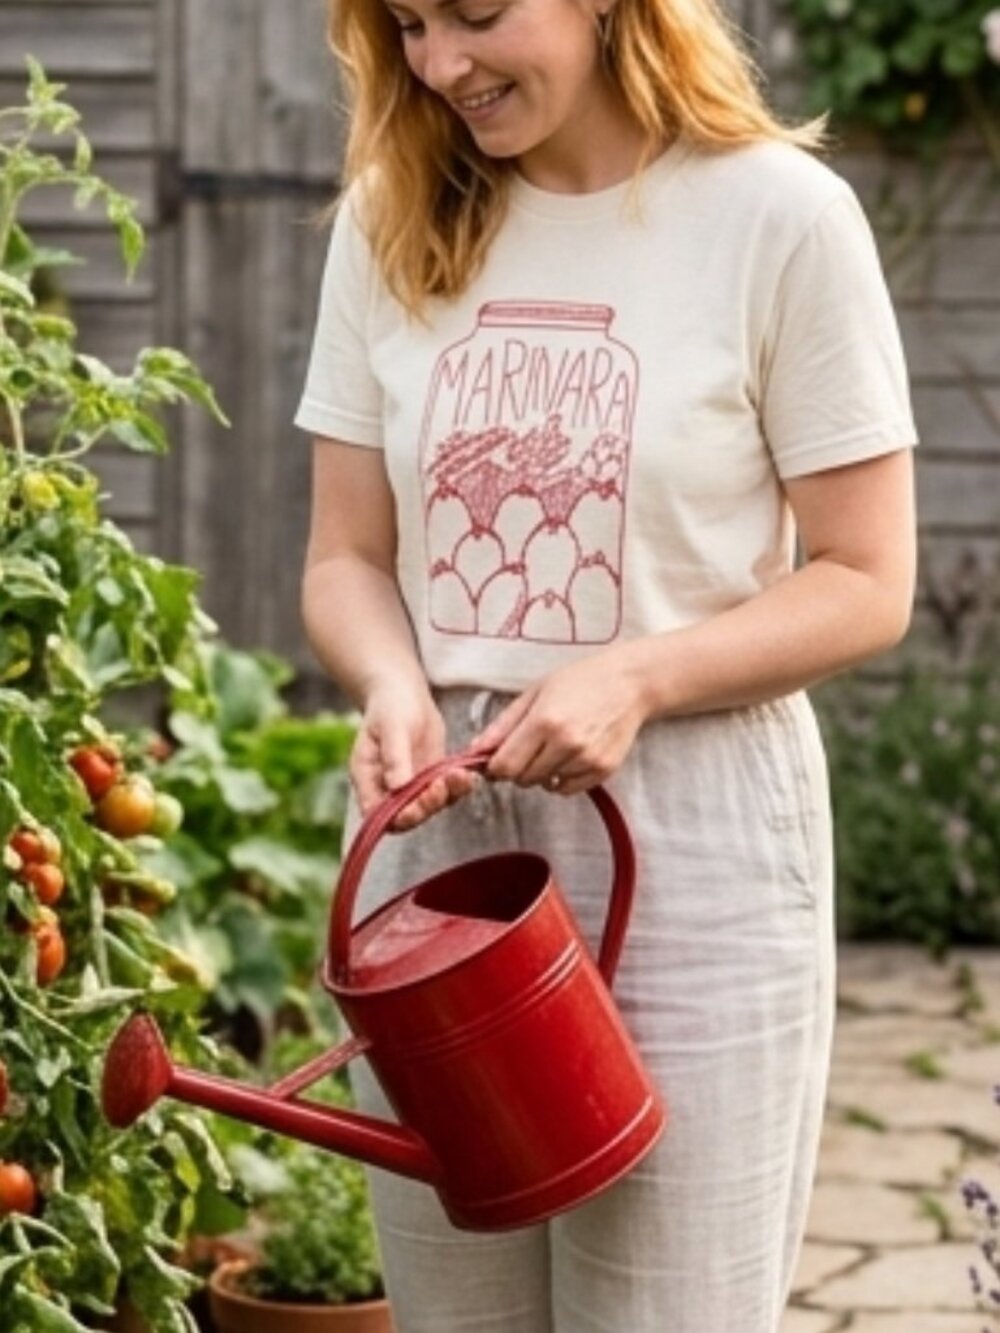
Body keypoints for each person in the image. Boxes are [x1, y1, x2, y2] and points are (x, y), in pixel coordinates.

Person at [295, 0, 918, 1326]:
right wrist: (394, 682)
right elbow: (344, 556)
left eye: (475, 14)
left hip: (693, 844)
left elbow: (867, 579)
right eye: (408, 25)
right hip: (437, 856)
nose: (440, 64)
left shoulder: (780, 220)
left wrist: (637, 677)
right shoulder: (390, 218)